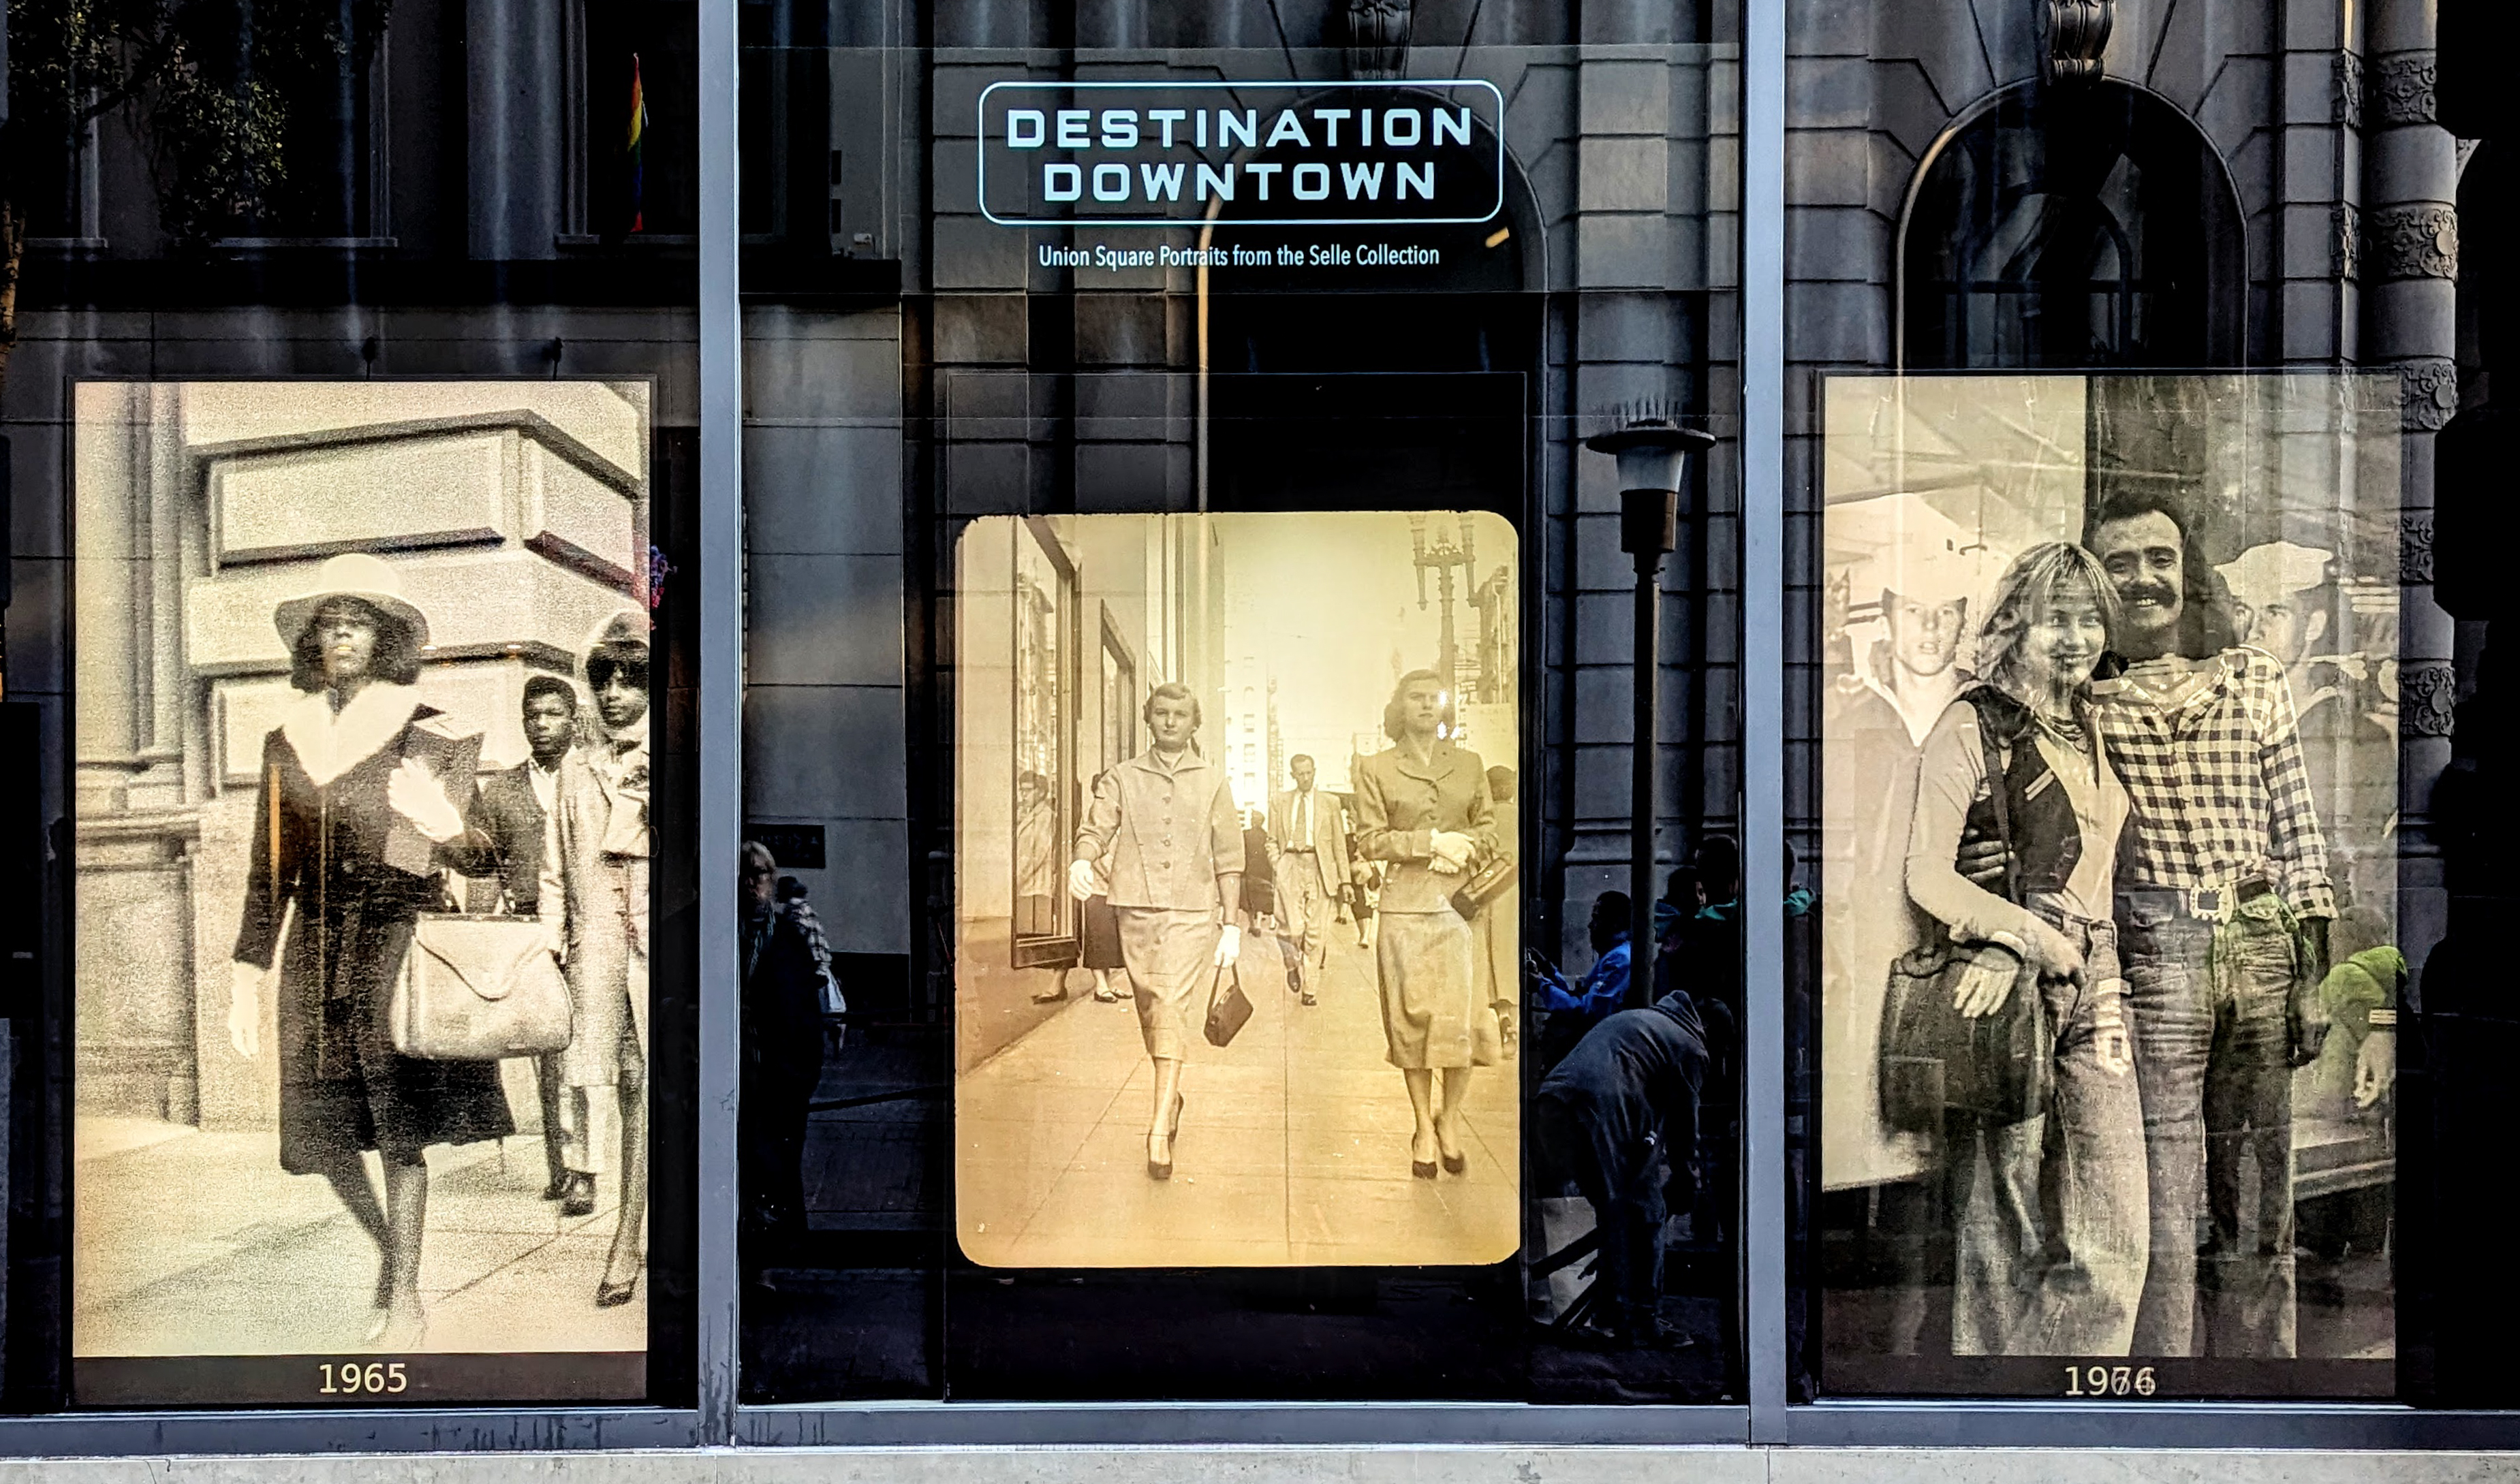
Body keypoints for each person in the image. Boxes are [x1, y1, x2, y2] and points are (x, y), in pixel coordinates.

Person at [225, 553, 515, 1348]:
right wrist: (248, 972)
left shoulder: (428, 733)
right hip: (315, 953)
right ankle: (392, 1253)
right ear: (312, 644)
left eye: (355, 619)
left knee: (399, 1125)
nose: (340, 632)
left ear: (385, 637)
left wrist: (442, 820)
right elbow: (268, 867)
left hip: (393, 941)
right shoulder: (287, 740)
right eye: (327, 621)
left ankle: (408, 1293)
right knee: (321, 1135)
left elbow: (483, 858)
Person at [2084, 489, 2333, 1359]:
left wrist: (2311, 973)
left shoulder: (2254, 674)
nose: (2145, 579)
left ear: (2188, 569)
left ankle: (2263, 1380)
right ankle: (2165, 1388)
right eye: (2121, 565)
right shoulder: (2085, 702)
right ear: (2098, 585)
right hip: (2155, 953)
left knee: (2261, 1185)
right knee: (2162, 1189)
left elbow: (2297, 828)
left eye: (2160, 559)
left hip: (2260, 942)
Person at [1905, 541, 2148, 1355]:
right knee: (1998, 1231)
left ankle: (2056, 1408)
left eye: (2089, 620)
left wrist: (2081, 955)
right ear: (2015, 624)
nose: (2076, 638)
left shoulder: (2091, 724)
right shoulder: (1972, 723)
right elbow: (1926, 877)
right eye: (2056, 619)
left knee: (2117, 1236)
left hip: (2097, 974)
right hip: (2007, 981)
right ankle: (1992, 1421)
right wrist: (2026, 938)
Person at [1068, 682, 1245, 1181]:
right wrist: (1083, 858)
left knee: (1169, 1004)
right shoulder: (1122, 777)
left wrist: (1231, 924)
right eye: (1162, 713)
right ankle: (1172, 1092)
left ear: (1194, 723)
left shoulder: (1214, 781)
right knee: (1151, 1005)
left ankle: (1156, 1126)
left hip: (1192, 911)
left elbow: (1230, 857)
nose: (1170, 721)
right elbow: (1097, 826)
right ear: (1148, 719)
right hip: (1135, 909)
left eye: (1181, 714)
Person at [1353, 668, 1498, 1180]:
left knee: (1461, 1020)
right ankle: (1421, 1125)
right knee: (1412, 1022)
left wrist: (1465, 846)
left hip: (1458, 905)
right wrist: (1429, 843)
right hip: (1404, 908)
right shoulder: (1374, 767)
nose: (1426, 707)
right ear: (1399, 707)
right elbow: (1369, 839)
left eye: (1434, 699)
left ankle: (1450, 1119)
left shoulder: (1468, 762)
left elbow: (1488, 826)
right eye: (1415, 698)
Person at [446, 674, 580, 1201]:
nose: (541, 725)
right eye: (533, 715)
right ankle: (563, 1169)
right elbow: (481, 870)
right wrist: (480, 942)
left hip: (591, 927)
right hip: (530, 933)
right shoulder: (500, 790)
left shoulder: (594, 778)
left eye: (553, 714)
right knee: (550, 1052)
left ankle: (589, 1166)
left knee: (591, 1057)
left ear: (573, 719)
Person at [555, 609, 655, 1308]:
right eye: (605, 679)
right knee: (616, 1080)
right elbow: (557, 873)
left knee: (653, 1083)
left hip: (660, 944)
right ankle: (632, 1227)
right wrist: (553, 942)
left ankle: (631, 1235)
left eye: (630, 679)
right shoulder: (576, 766)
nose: (615, 692)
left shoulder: (673, 755)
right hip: (597, 946)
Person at [1534, 988, 1709, 1347]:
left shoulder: (1640, 1022)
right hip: (1602, 1106)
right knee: (1644, 1212)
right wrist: (1689, 1178)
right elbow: (1684, 1129)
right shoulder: (1691, 1048)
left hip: (1555, 1101)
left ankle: (1610, 1315)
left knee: (1616, 1211)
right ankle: (1641, 1321)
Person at [741, 840, 829, 1246]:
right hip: (739, 1081)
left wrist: (799, 1078)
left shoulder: (788, 938)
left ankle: (774, 1257)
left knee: (778, 1167)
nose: (753, 883)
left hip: (780, 1082)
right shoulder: (713, 936)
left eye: (762, 874)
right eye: (747, 873)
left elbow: (807, 1016)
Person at [1267, 754, 1354, 1007]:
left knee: (1316, 933)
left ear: (1315, 771)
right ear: (1293, 775)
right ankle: (1292, 964)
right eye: (1300, 774)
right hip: (1290, 864)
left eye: (1309, 773)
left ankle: (1310, 989)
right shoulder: (1279, 801)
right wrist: (1278, 862)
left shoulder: (1330, 803)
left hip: (1320, 867)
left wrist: (1346, 881)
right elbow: (1272, 839)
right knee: (1290, 929)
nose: (1305, 778)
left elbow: (1339, 843)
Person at [1531, 891, 1634, 1073]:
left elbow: (1586, 1011)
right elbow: (1579, 997)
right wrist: (1549, 972)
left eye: (1596, 919)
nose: (1590, 926)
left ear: (1616, 923)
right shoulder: (1612, 955)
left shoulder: (1619, 960)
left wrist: (1542, 986)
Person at [1473, 766, 1520, 1055]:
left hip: (1486, 895)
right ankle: (1510, 1022)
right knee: (1509, 956)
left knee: (1486, 957)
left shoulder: (1483, 821)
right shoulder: (1520, 817)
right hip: (1513, 895)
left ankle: (1495, 1020)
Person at [1077, 768, 1133, 1005]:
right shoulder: (1093, 817)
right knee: (1098, 938)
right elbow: (1095, 854)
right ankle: (1100, 986)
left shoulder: (1119, 816)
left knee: (1112, 939)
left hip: (1116, 888)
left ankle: (1109, 984)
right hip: (1099, 887)